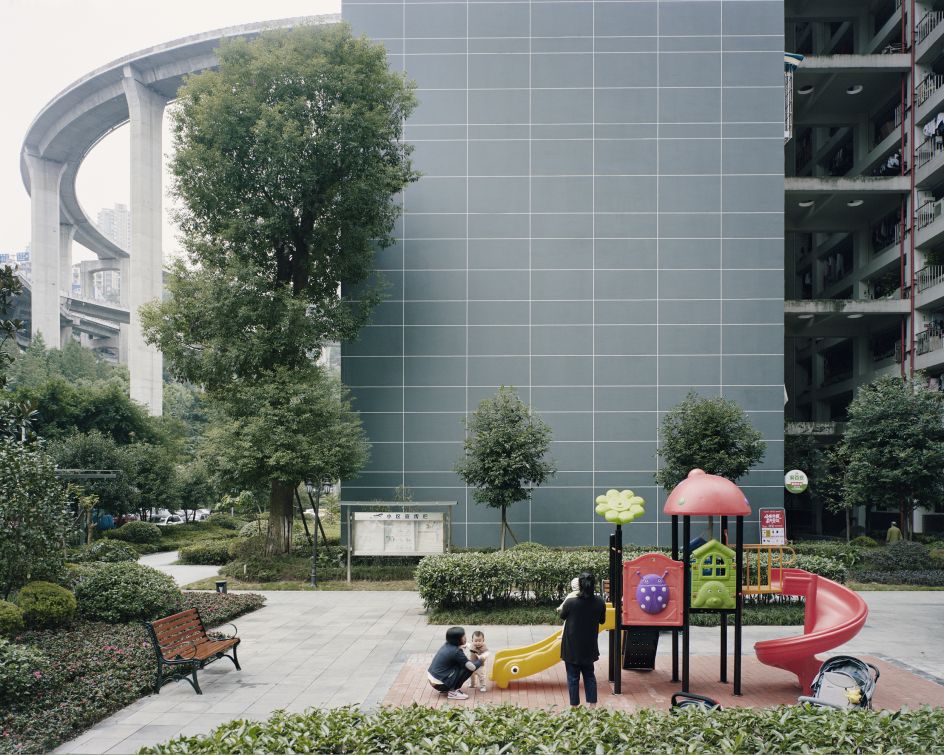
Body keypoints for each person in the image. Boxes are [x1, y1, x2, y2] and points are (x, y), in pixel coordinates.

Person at [559, 571, 607, 708]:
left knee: (573, 678)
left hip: (572, 647)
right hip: (589, 646)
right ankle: (592, 707)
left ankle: (574, 707)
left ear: (580, 585)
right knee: (589, 676)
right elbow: (602, 620)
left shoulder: (570, 602)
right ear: (594, 585)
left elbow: (562, 616)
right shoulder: (599, 602)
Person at [427, 626, 483, 700]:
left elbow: (460, 647)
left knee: (460, 664)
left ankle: (447, 687)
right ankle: (453, 692)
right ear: (457, 640)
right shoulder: (456, 652)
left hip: (433, 680)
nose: (465, 638)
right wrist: (481, 660)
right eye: (463, 637)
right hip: (440, 684)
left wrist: (467, 646)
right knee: (467, 667)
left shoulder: (447, 644)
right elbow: (472, 667)